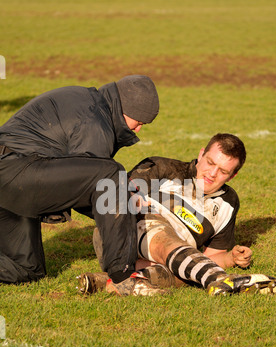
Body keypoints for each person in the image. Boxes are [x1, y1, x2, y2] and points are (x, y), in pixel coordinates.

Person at [0, 75, 159, 285]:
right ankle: (123, 272)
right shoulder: (94, 121)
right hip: (15, 170)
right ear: (123, 110)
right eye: (138, 121)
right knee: (111, 173)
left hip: (12, 178)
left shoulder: (92, 101)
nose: (138, 129)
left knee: (26, 270)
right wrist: (131, 206)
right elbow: (98, 191)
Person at [79, 133, 276, 296]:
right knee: (161, 234)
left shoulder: (228, 203)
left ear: (233, 175)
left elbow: (209, 256)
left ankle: (106, 284)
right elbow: (117, 197)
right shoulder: (163, 168)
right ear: (201, 154)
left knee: (183, 274)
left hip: (169, 259)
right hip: (124, 238)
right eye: (210, 162)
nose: (212, 174)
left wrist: (232, 258)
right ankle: (217, 278)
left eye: (223, 171)